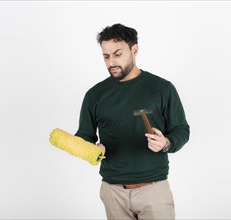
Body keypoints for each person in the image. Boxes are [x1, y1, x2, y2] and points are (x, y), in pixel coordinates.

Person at [75, 23, 190, 220]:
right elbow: (83, 138)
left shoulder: (162, 88)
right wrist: (92, 151)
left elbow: (181, 129)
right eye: (106, 56)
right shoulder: (94, 95)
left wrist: (166, 143)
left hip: (153, 190)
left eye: (117, 54)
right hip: (113, 192)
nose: (111, 62)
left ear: (134, 50)